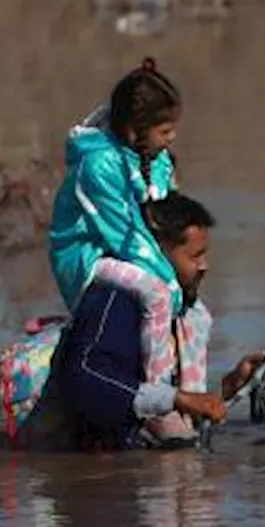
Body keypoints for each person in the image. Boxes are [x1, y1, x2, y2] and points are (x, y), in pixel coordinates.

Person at [55, 192, 265, 450]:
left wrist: (227, 389)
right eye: (194, 256)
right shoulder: (115, 302)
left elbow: (168, 397)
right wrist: (178, 399)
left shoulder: (183, 310)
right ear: (157, 253)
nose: (204, 266)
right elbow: (85, 377)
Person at [47, 58, 191, 441]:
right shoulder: (98, 166)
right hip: (87, 255)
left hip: (123, 244)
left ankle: (191, 400)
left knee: (194, 310)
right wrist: (170, 279)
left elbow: (160, 211)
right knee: (159, 293)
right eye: (165, 130)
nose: (172, 137)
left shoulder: (150, 156)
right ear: (133, 131)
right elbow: (123, 232)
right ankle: (157, 402)